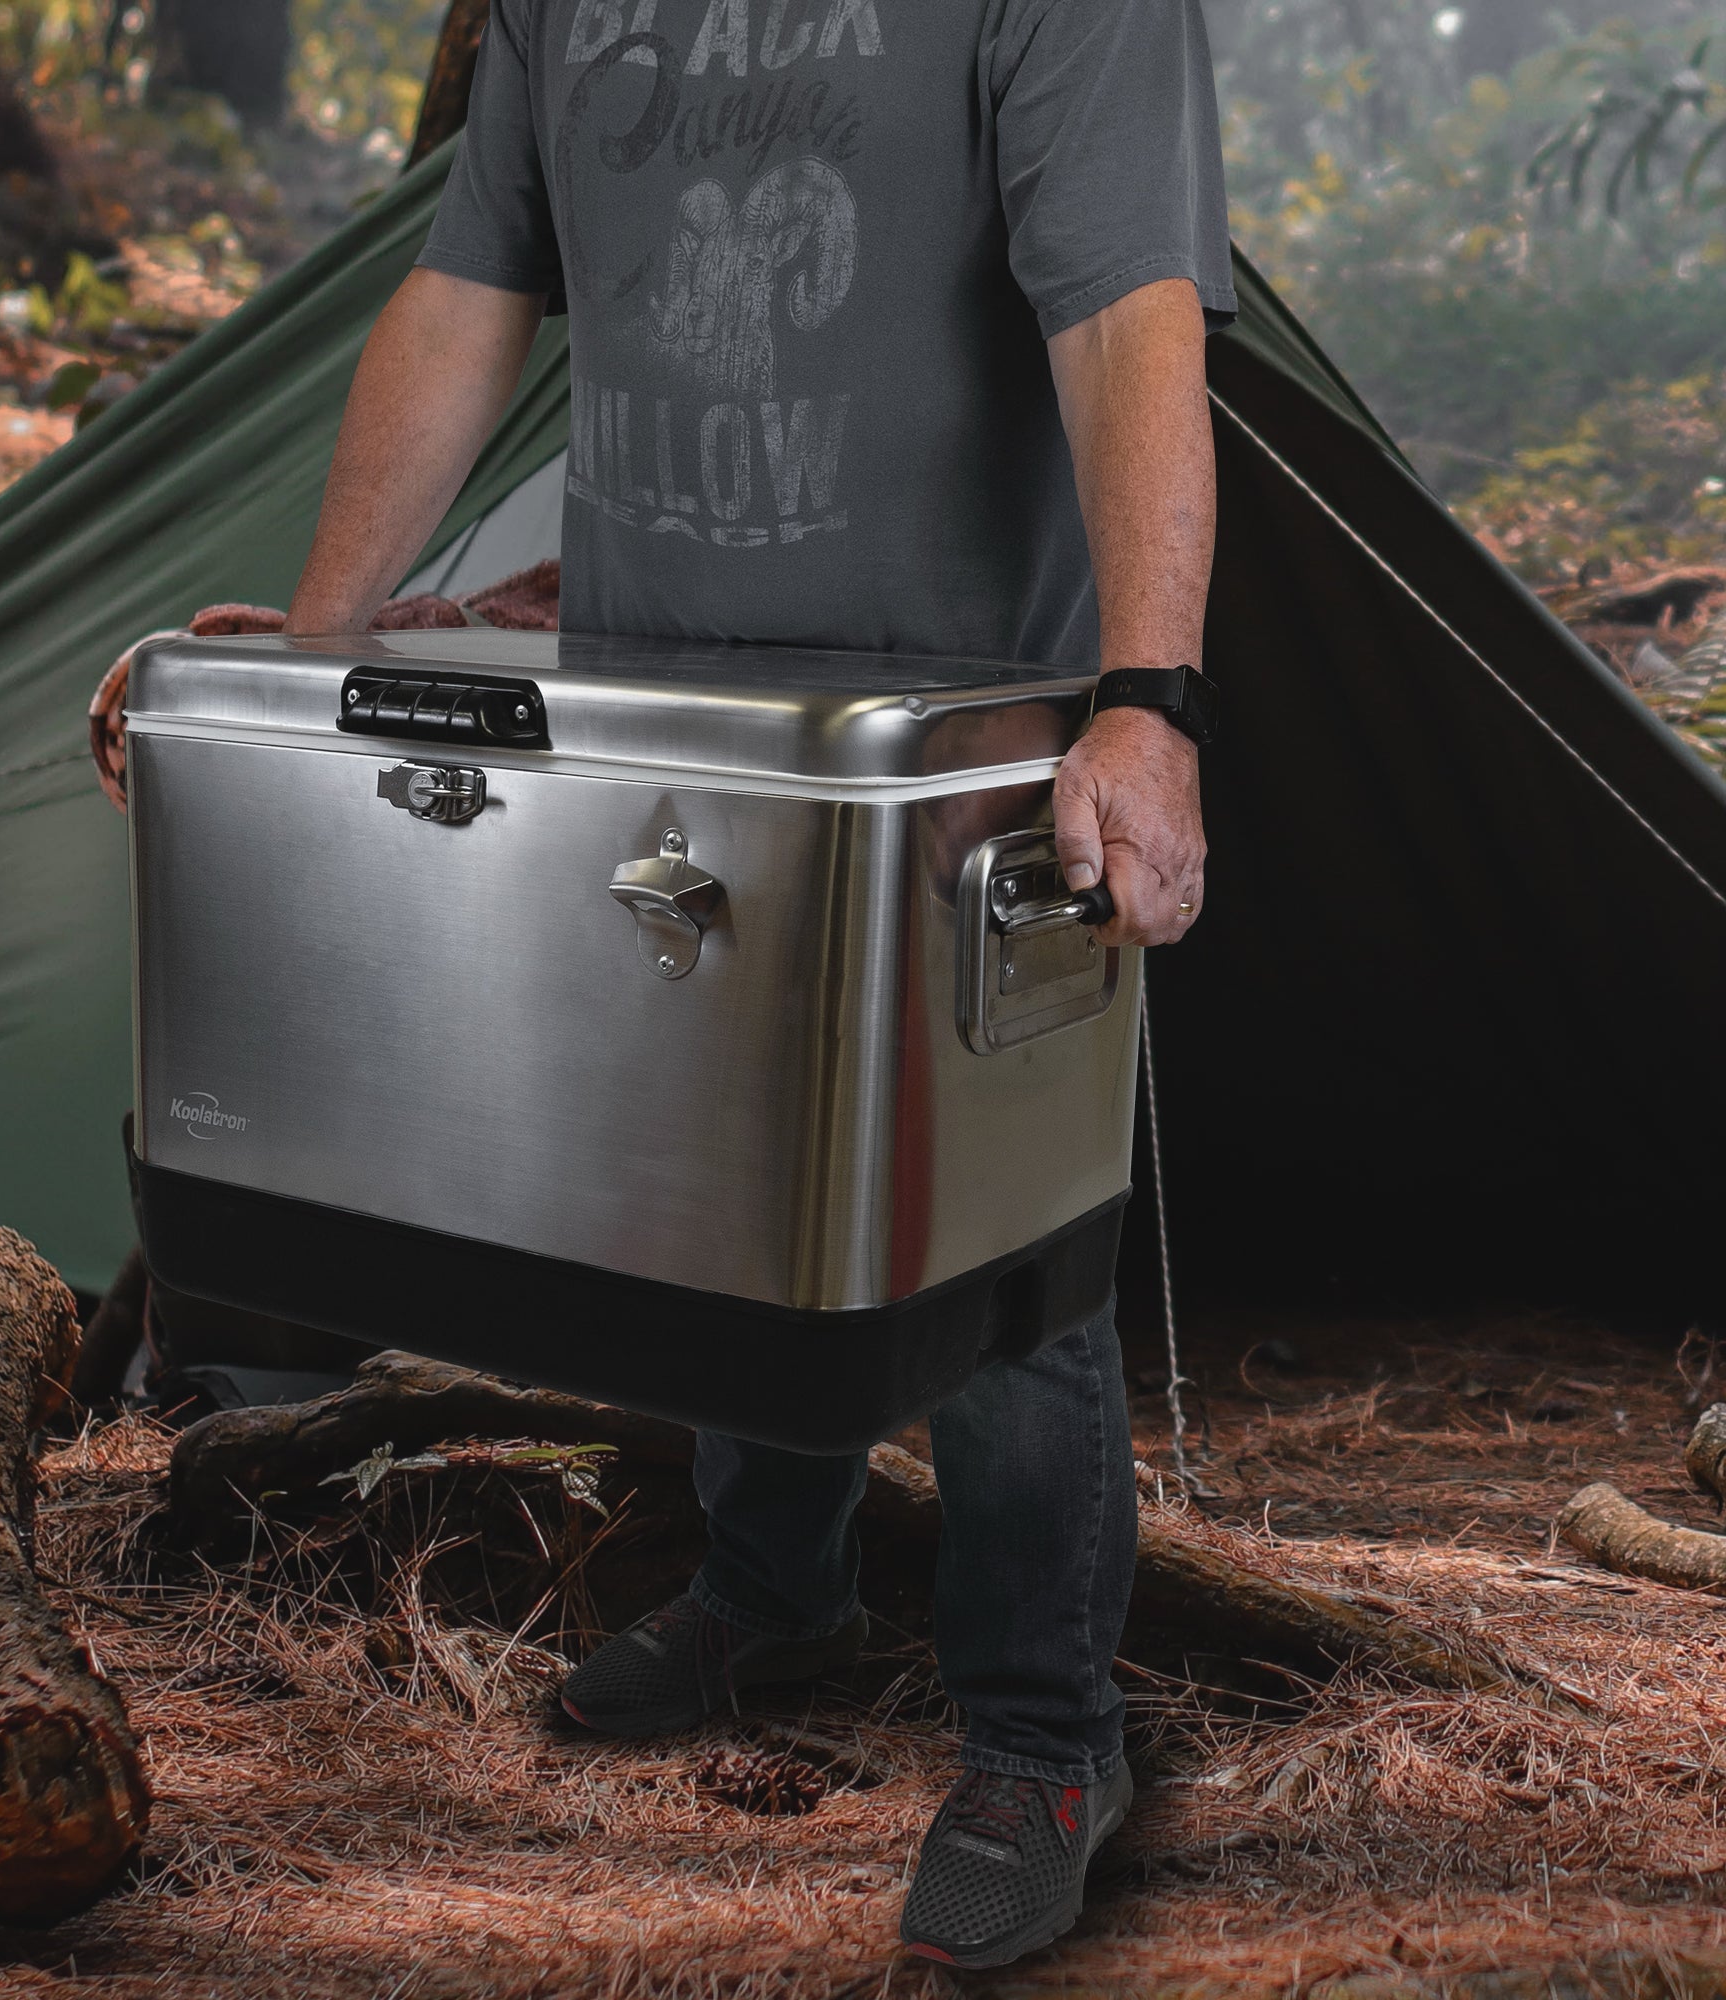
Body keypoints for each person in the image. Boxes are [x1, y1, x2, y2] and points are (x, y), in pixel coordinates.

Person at [287, 0, 1233, 1969]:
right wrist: (320, 655)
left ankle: (1044, 1736)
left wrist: (1145, 702)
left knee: (1002, 1267)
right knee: (724, 1181)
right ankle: (770, 1585)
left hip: (960, 736)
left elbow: (1128, 312)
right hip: (676, 733)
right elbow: (469, 296)